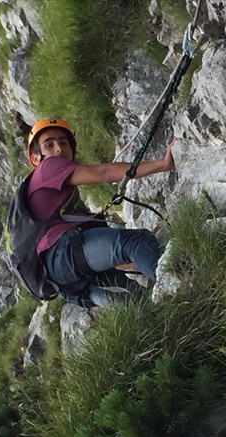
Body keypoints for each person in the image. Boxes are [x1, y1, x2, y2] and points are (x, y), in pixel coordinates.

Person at [25, 117, 175, 308]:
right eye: (49, 144)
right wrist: (163, 164)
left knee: (140, 302)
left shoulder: (56, 195)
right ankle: (177, 286)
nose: (58, 148)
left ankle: (174, 314)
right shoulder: (47, 168)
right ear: (36, 158)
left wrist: (138, 258)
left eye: (63, 143)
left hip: (62, 279)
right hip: (63, 255)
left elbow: (106, 254)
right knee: (137, 241)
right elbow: (104, 173)